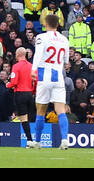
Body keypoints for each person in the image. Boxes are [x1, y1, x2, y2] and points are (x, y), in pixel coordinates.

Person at [32, 13, 72, 150]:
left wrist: (33, 70)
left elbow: (38, 54)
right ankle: (65, 139)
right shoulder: (64, 39)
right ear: (58, 24)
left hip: (44, 77)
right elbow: (66, 61)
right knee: (61, 110)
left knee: (41, 111)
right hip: (59, 78)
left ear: (45, 24)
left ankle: (37, 141)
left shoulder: (41, 37)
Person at [9, 47, 38, 148]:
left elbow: (14, 82)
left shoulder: (16, 66)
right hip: (30, 94)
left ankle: (30, 140)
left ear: (18, 55)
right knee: (31, 117)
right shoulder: (32, 66)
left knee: (24, 119)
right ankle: (35, 140)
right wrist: (33, 91)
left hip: (20, 94)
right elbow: (36, 80)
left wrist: (7, 85)